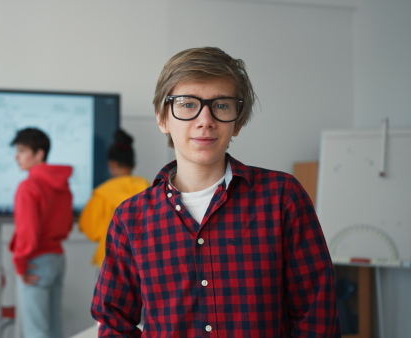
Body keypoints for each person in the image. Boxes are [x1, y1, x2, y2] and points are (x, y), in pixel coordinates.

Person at [91, 47, 341, 337]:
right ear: (162, 119)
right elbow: (113, 319)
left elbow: (317, 311)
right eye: (187, 104)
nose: (205, 120)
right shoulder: (131, 217)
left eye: (221, 105)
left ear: (237, 121)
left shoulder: (282, 197)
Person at [9, 127, 74, 338]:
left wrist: (20, 264)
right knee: (54, 327)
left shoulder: (28, 187)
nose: (16, 156)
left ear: (39, 154)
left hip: (35, 261)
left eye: (22, 151)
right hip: (57, 257)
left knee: (36, 331)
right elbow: (66, 224)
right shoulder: (63, 185)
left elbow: (28, 233)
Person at [79, 129, 149, 268]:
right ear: (133, 163)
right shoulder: (148, 189)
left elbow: (91, 231)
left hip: (111, 259)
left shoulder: (102, 193)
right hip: (140, 259)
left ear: (111, 164)